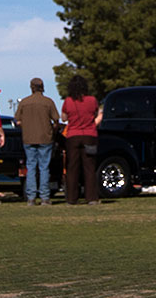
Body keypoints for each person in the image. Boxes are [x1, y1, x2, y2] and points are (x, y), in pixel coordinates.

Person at [15, 77, 60, 205]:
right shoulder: (48, 102)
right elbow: (56, 120)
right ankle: (45, 197)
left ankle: (31, 197)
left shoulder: (24, 102)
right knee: (44, 167)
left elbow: (17, 120)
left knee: (31, 167)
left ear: (31, 88)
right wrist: (53, 130)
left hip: (28, 138)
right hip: (45, 138)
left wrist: (25, 126)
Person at [61, 74, 102, 205]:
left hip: (73, 136)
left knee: (72, 168)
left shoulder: (68, 101)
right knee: (89, 167)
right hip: (89, 135)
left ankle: (71, 198)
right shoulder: (92, 100)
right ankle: (91, 198)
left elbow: (64, 118)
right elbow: (96, 114)